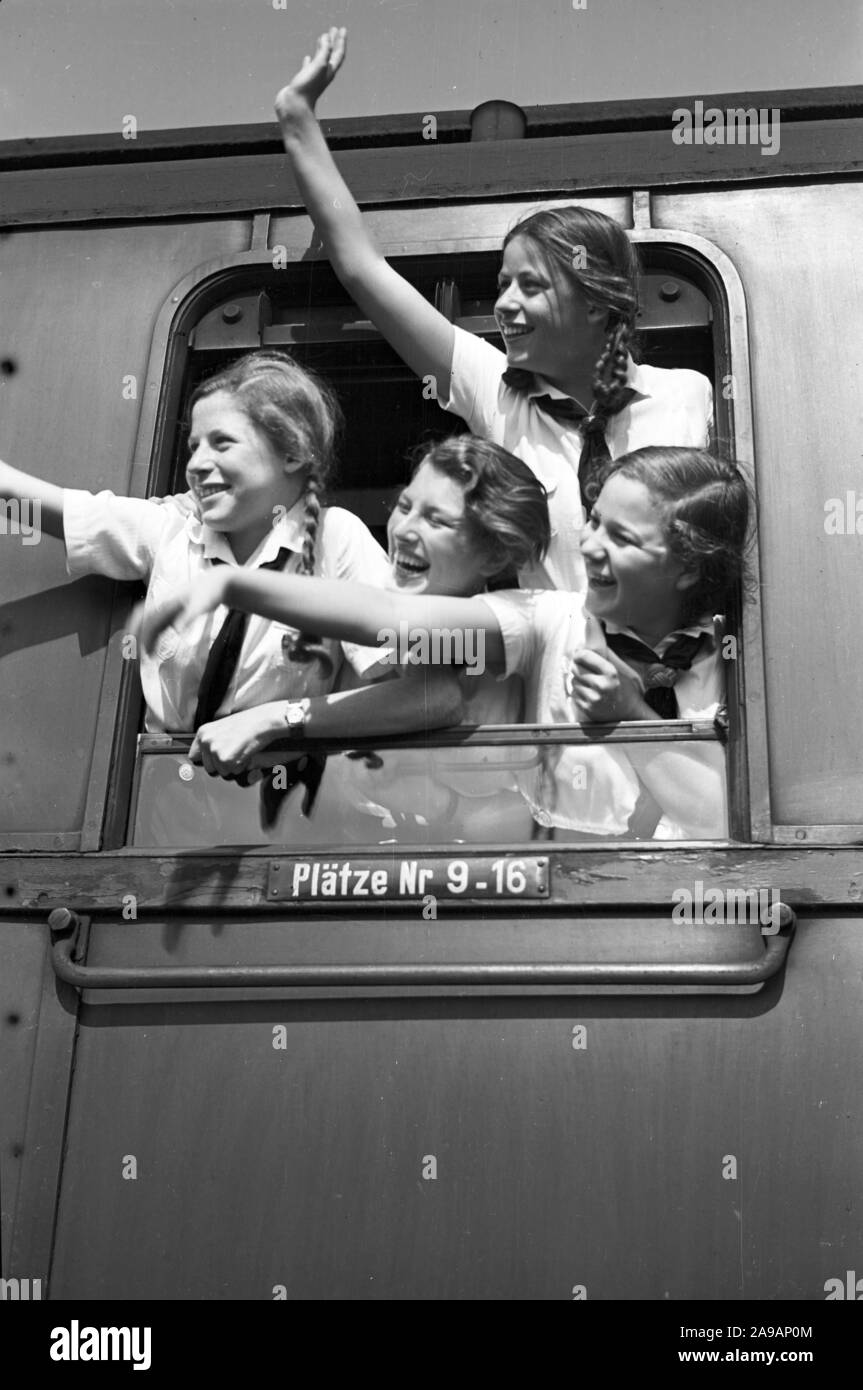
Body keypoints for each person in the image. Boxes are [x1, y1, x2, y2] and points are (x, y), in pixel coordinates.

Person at [273, 27, 713, 592]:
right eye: (503, 284)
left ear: (600, 303)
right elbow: (363, 267)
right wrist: (298, 120)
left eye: (531, 286)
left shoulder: (690, 395)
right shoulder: (498, 395)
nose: (505, 304)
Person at [140, 448, 749, 841]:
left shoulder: (742, 661)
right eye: (592, 522)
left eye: (621, 537)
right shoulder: (540, 623)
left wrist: (630, 717)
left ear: (689, 569)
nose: (589, 548)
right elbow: (395, 620)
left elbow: (721, 819)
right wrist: (238, 584)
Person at [0, 349, 460, 785]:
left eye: (222, 444)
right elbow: (56, 508)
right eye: (193, 446)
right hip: (162, 804)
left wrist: (277, 721)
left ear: (293, 452)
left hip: (280, 817)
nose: (197, 465)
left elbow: (431, 697)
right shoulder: (171, 531)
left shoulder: (335, 539)